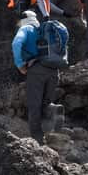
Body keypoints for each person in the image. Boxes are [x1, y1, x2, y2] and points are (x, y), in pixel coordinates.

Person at [12, 10, 60, 143]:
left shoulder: (26, 28)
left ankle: (37, 140)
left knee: (34, 105)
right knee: (46, 103)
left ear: (23, 19)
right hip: (54, 70)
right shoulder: (45, 29)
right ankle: (53, 114)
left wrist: (20, 64)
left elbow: (16, 43)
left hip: (37, 70)